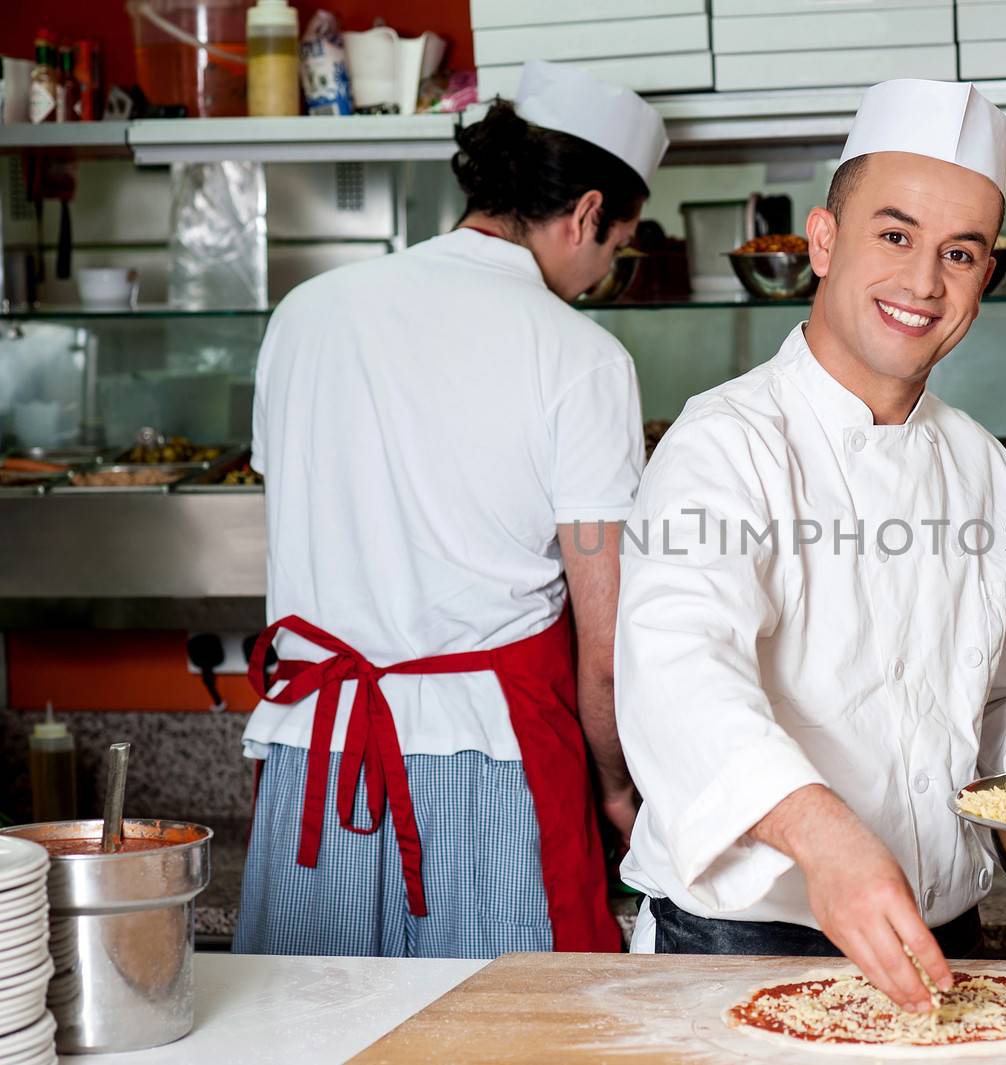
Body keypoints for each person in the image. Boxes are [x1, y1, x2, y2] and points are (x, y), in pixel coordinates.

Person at [614, 79, 1006, 1010]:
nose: (925, 282)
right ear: (824, 240)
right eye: (896, 236)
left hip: (943, 933)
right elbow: (677, 676)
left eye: (959, 254)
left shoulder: (982, 469)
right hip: (744, 939)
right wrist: (823, 836)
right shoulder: (726, 443)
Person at [234, 60, 668, 958]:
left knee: (310, 1040)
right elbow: (606, 642)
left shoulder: (306, 315)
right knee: (508, 1041)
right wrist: (619, 786)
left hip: (313, 757)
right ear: (587, 213)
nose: (600, 273)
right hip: (490, 766)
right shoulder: (581, 358)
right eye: (616, 247)